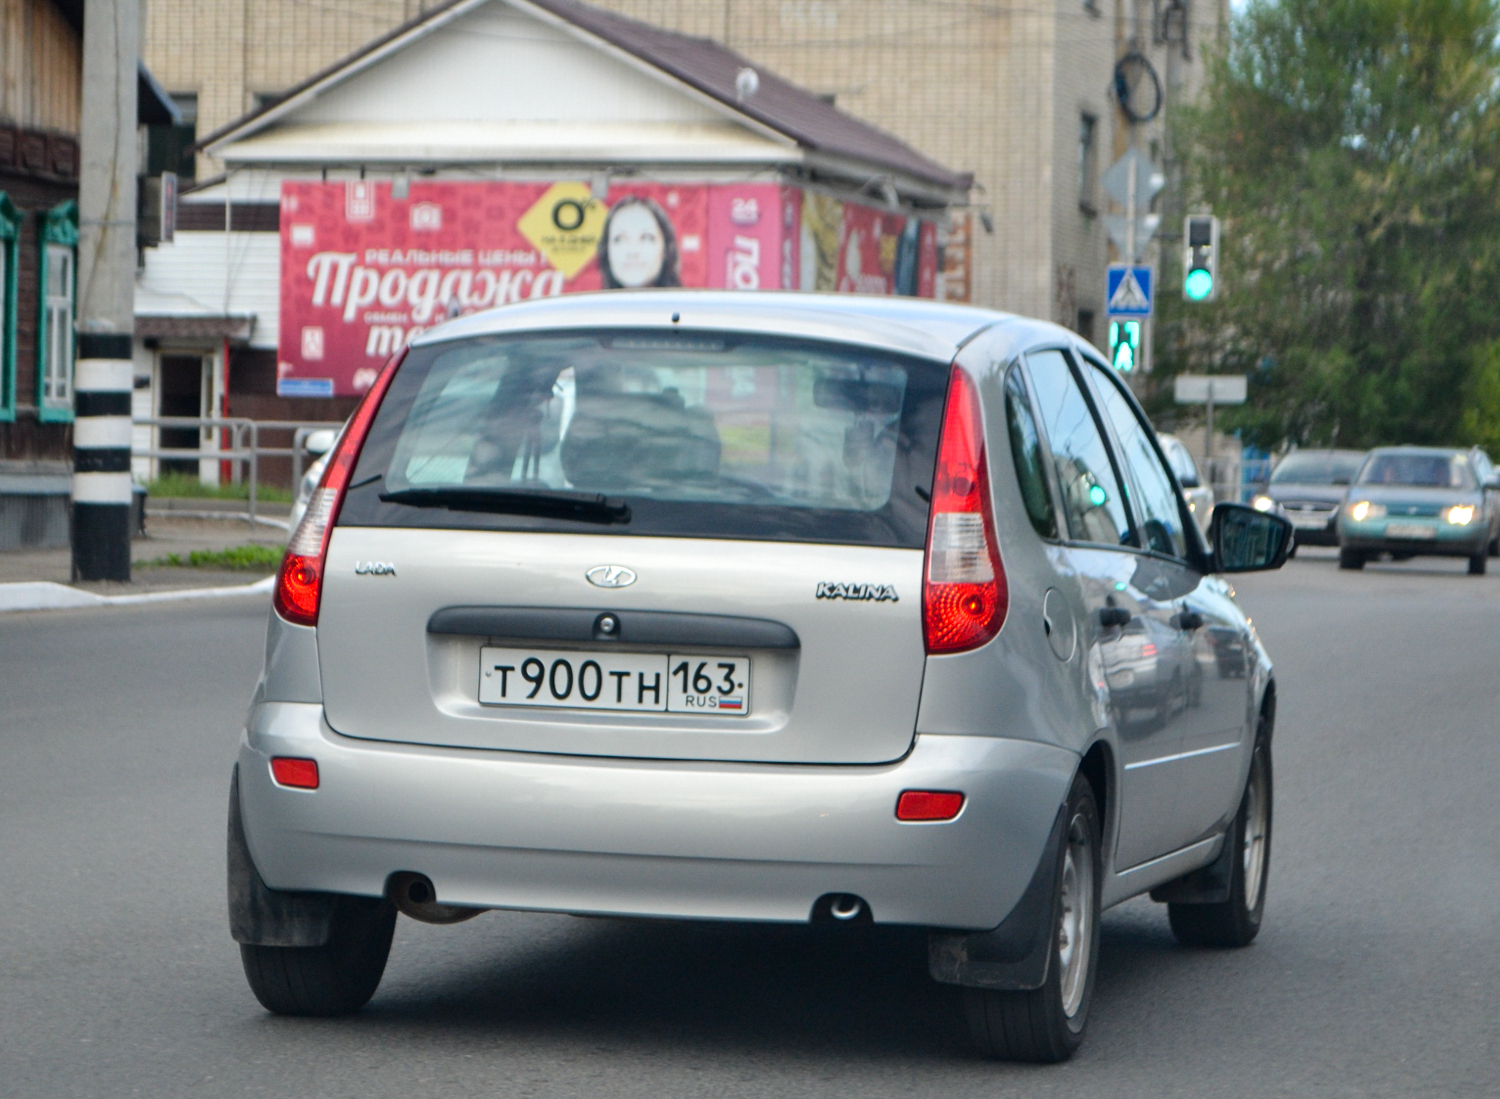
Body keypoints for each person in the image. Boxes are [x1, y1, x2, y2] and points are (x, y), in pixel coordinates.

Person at [597, 195, 682, 289]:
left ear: (666, 249)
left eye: (646, 238)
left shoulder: (688, 302)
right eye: (620, 239)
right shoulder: (590, 302)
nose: (632, 251)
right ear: (606, 250)